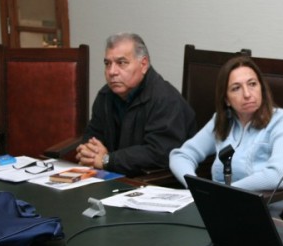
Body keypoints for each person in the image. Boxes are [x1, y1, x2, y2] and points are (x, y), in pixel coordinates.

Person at [169, 56, 283, 217]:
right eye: (236, 88)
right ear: (226, 99)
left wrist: (224, 192)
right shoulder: (222, 121)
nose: (247, 94)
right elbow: (180, 156)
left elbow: (280, 176)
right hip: (216, 210)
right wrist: (196, 187)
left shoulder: (282, 121)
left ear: (261, 89)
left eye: (252, 84)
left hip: (261, 216)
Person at [76, 33, 196, 177]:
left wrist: (108, 160)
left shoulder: (165, 99)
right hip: (113, 176)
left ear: (143, 64)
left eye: (121, 62)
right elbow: (92, 136)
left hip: (154, 183)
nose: (112, 72)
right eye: (107, 63)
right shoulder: (105, 95)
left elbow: (159, 153)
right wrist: (89, 153)